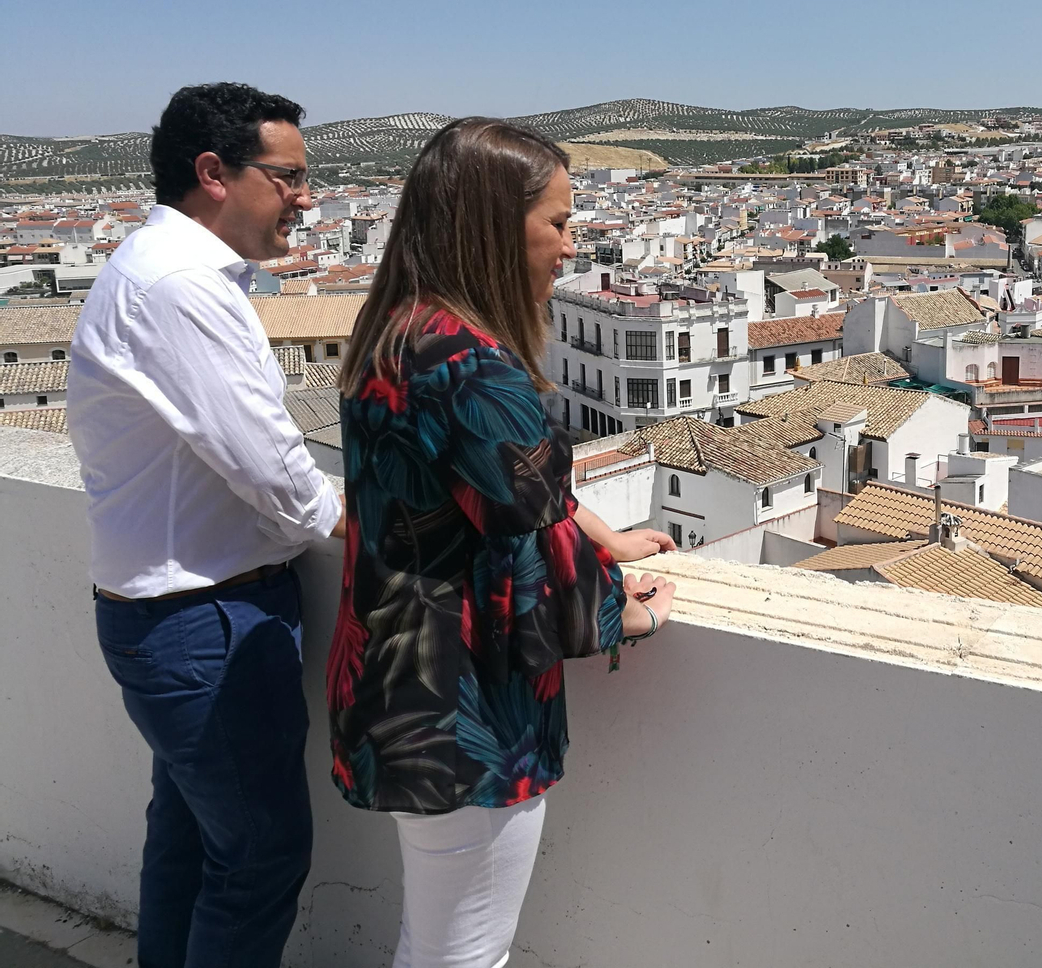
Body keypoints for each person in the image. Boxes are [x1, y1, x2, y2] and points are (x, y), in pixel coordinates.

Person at [332, 117, 676, 967]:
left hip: (395, 674)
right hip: (463, 708)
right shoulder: (470, 362)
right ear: (492, 223)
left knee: (436, 938)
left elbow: (507, 490)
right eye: (556, 223)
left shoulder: (401, 332)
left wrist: (606, 535)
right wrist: (622, 612)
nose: (570, 245)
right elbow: (530, 530)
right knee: (465, 952)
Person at [68, 82, 348, 967]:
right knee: (259, 858)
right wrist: (375, 531)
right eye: (290, 177)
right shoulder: (183, 285)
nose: (308, 198)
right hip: (205, 623)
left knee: (189, 846)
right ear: (213, 174)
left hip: (174, 615)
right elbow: (273, 467)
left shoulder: (148, 266)